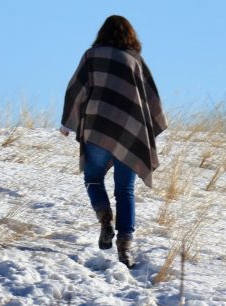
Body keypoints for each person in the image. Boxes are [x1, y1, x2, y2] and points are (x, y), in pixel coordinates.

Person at [60, 15, 168, 267]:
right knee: (125, 190)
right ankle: (125, 246)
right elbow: (151, 99)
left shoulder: (92, 55)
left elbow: (75, 88)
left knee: (93, 178)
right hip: (130, 133)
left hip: (97, 128)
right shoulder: (135, 60)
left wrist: (67, 122)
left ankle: (105, 219)